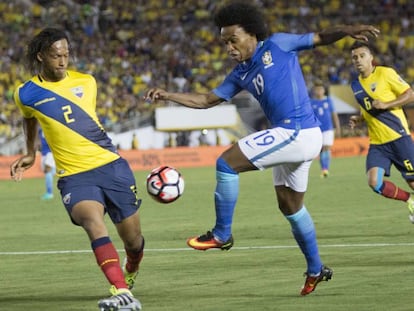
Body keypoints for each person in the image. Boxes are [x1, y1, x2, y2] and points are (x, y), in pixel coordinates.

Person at [145, 2, 379, 296]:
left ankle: (222, 234)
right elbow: (206, 100)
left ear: (252, 33)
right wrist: (168, 95)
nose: (229, 47)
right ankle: (316, 269)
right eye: (224, 42)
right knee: (291, 207)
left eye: (233, 39)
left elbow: (320, 36)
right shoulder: (240, 73)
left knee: (226, 163)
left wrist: (347, 31)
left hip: (296, 131)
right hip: (297, 137)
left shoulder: (278, 44)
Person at [10, 28, 144, 311]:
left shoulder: (87, 82)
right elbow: (29, 118)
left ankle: (130, 268)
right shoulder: (25, 93)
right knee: (93, 223)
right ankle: (121, 291)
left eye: (66, 54)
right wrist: (31, 151)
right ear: (41, 57)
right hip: (74, 176)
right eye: (56, 55)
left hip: (111, 167)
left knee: (133, 241)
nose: (63, 61)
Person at [348, 41, 414, 223]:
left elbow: (410, 94)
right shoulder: (355, 85)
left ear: (371, 58)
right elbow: (368, 107)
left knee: (412, 181)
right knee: (374, 183)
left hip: (398, 137)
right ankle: (409, 199)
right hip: (377, 143)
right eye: (355, 57)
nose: (358, 60)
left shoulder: (386, 73)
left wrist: (387, 104)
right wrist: (359, 118)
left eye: (362, 56)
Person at [310, 81, 341, 177]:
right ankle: (324, 168)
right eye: (317, 89)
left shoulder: (329, 100)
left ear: (324, 90)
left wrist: (338, 127)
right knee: (321, 149)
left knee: (326, 147)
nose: (319, 91)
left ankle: (325, 169)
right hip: (317, 129)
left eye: (320, 89)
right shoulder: (311, 102)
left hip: (328, 128)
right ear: (314, 91)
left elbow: (334, 115)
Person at [38, 126, 56, 200]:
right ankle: (49, 192)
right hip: (44, 153)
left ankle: (49, 193)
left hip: (50, 152)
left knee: (47, 169)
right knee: (47, 172)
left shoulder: (51, 126)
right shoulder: (40, 129)